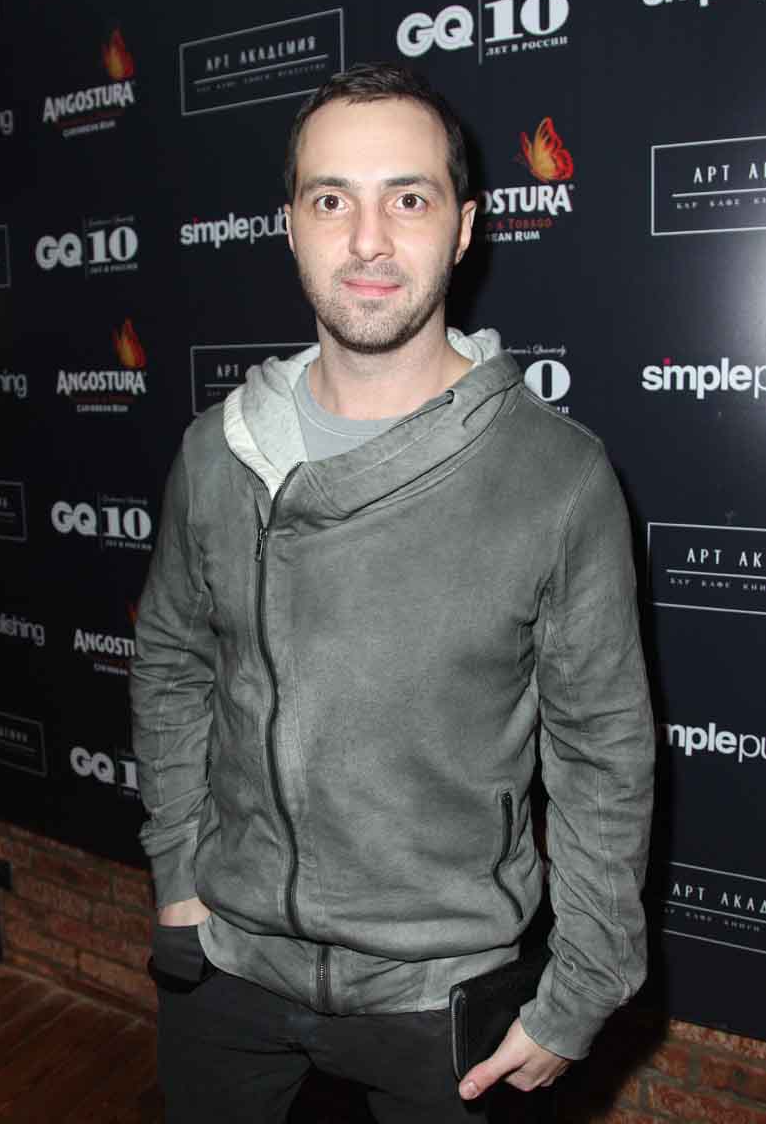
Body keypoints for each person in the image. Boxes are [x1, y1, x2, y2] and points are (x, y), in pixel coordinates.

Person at [130, 62, 654, 1123]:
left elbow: (601, 750)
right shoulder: (215, 453)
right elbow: (173, 664)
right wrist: (178, 872)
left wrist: (580, 993)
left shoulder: (556, 476)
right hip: (227, 968)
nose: (367, 241)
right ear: (290, 225)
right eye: (332, 200)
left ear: (464, 228)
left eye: (408, 199)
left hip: (443, 999)